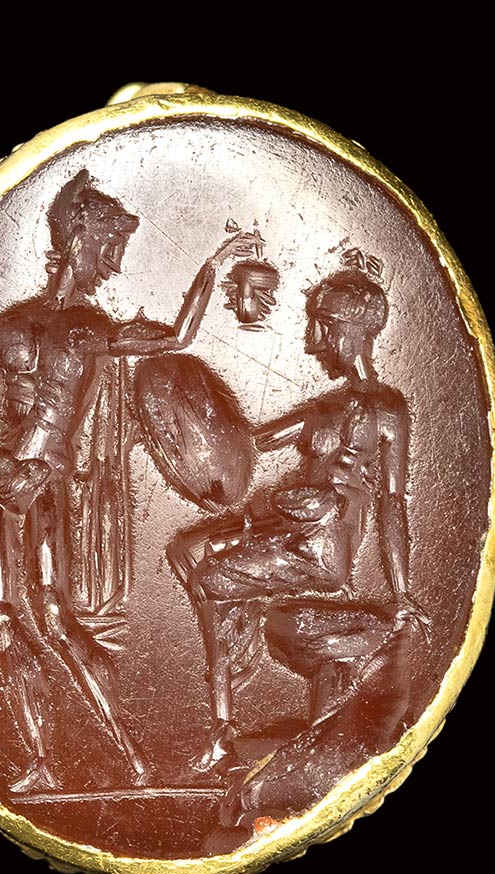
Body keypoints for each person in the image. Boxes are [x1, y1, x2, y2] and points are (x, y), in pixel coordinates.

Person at [0, 169, 260, 793]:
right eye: (109, 248)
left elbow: (177, 338)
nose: (113, 265)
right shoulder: (10, 330)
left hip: (42, 478)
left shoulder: (89, 329)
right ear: (80, 240)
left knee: (52, 613)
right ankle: (43, 761)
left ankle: (131, 754)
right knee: (3, 616)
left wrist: (214, 264)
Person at [171, 251, 430, 769]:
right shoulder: (322, 409)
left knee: (211, 581)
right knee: (188, 550)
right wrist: (188, 407)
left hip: (322, 549)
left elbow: (393, 502)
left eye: (324, 327)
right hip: (290, 533)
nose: (314, 342)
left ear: (355, 330)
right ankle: (228, 722)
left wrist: (401, 592)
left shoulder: (386, 409)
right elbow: (251, 443)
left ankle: (225, 729)